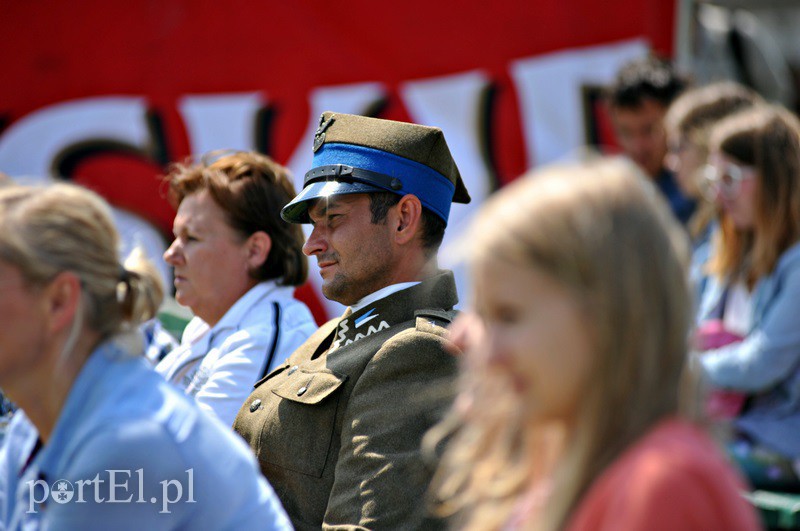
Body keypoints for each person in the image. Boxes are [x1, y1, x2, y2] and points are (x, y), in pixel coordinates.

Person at [428, 158, 759, 530]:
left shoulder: (660, 482)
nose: (463, 339)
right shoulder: (574, 467)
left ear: (608, 315)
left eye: (507, 315)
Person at [0, 183, 291, 529]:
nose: (170, 254)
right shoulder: (29, 427)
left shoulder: (129, 441)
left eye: (192, 237)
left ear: (60, 300)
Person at [233, 111, 471, 529]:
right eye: (313, 224)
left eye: (334, 219)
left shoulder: (417, 350)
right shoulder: (336, 334)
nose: (312, 245)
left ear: (403, 219)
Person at [155, 151, 317, 426]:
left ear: (255, 250)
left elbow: (187, 456)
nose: (170, 254)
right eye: (175, 237)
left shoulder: (263, 336)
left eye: (191, 238)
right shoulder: (210, 326)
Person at [694, 104, 800, 490]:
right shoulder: (726, 253)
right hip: (733, 430)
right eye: (713, 179)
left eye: (731, 178)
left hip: (783, 444)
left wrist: (679, 370)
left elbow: (763, 362)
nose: (719, 195)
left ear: (776, 180)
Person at [607, 55, 695, 224]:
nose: (638, 146)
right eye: (626, 132)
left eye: (648, 130)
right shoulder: (610, 193)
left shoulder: (701, 192)